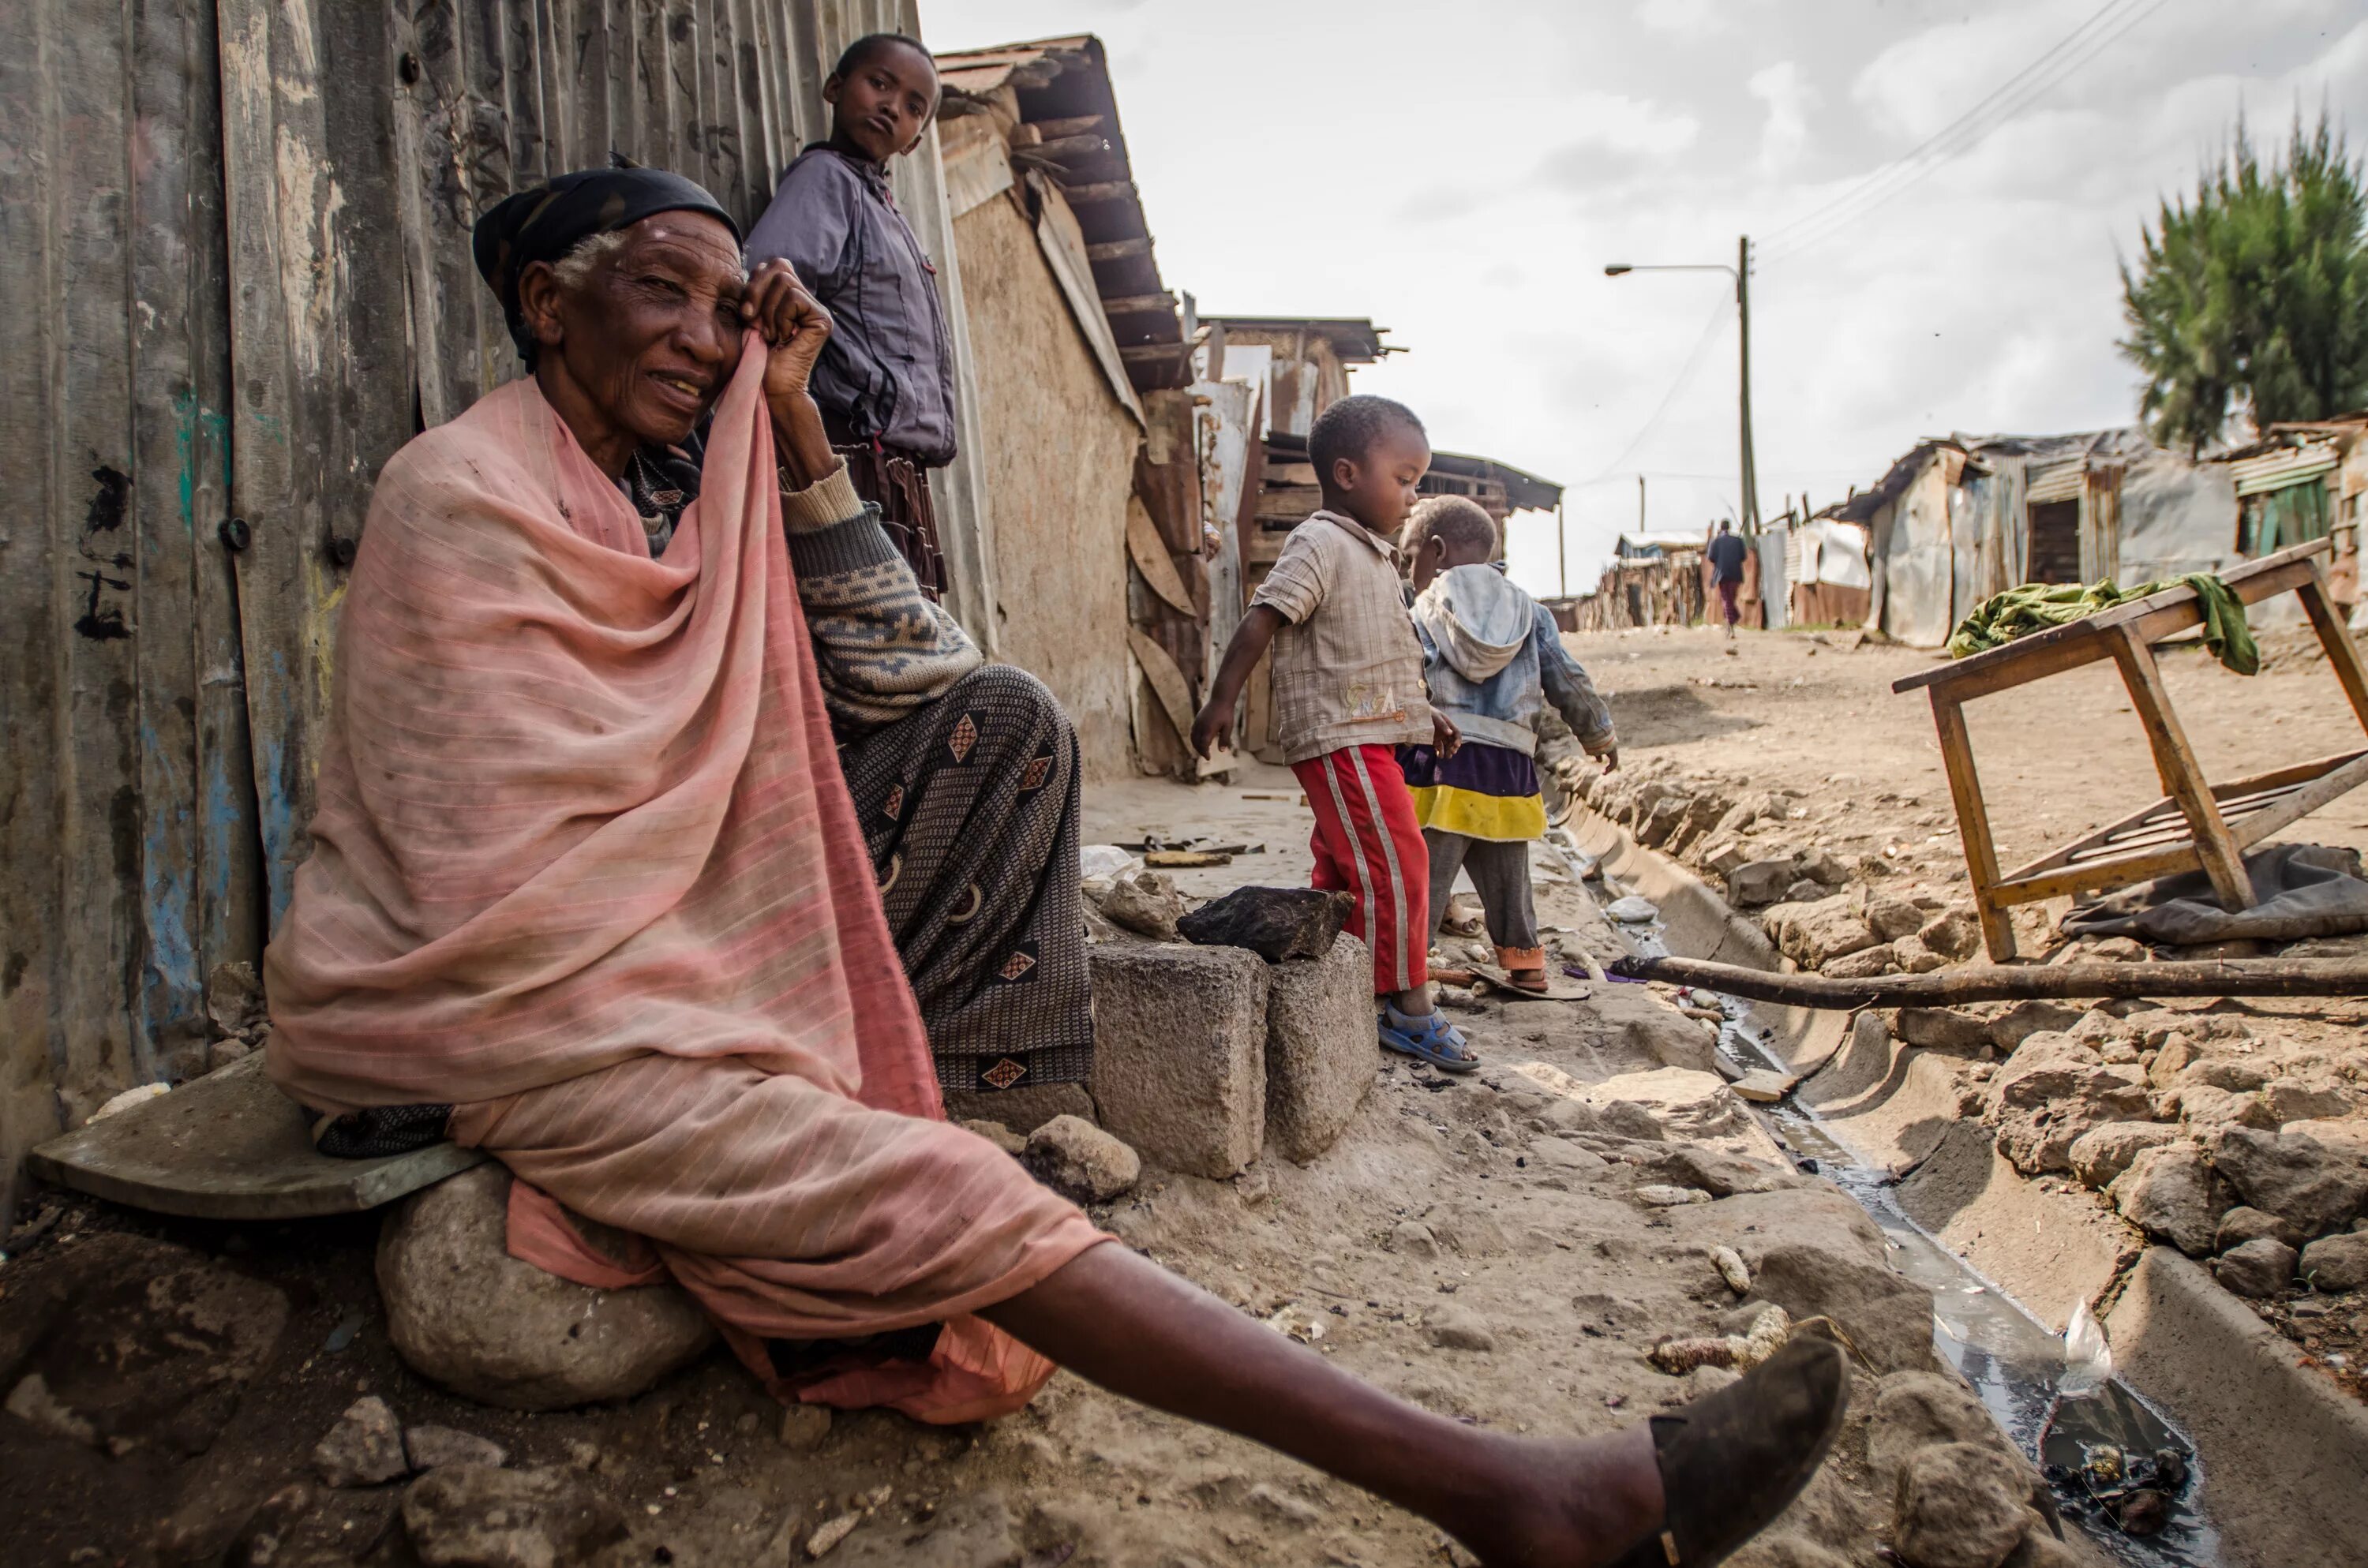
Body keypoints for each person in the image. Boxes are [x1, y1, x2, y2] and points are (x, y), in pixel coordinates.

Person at [267, 165, 1849, 1568]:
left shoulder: (693, 489)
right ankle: (1518, 1499)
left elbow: (913, 669)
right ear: (548, 305)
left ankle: (976, 1094)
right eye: (658, 294)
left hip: (670, 940)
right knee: (929, 1182)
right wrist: (712, 970)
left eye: (720, 303)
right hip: (510, 996)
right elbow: (488, 858)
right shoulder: (462, 495)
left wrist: (800, 420)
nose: (701, 334)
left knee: (1003, 719)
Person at [1190, 397, 1481, 1072]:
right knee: (1400, 861)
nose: (1414, 496)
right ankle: (1406, 1006)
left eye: (1417, 480)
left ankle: (1348, 982)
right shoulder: (1319, 542)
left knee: (1347, 863)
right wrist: (1222, 697)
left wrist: (1423, 712)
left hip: (1366, 733)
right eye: (1404, 479)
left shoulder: (1375, 557)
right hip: (1338, 737)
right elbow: (1264, 614)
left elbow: (1377, 656)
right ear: (1348, 473)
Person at [744, 32, 954, 595]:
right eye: (879, 83)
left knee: (906, 651)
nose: (892, 106)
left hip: (891, 471)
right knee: (872, 644)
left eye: (914, 106)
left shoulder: (887, 213)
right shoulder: (826, 180)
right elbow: (767, 291)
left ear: (914, 141)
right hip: (848, 455)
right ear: (836, 88)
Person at [1399, 497, 1618, 994]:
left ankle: (1408, 969)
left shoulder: (1423, 611)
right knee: (1510, 878)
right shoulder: (1530, 611)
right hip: (1509, 769)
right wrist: (1599, 734)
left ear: (1437, 551)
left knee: (1425, 876)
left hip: (1441, 765)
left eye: (1411, 559)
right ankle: (1526, 966)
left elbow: (1405, 683)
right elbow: (1567, 679)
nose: (1411, 572)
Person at [1707, 519, 1749, 642]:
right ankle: (1733, 619)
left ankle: (1731, 624)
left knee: (1727, 600)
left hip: (1722, 575)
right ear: (1729, 527)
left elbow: (1711, 557)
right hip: (1736, 573)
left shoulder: (1716, 541)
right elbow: (1744, 557)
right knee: (1730, 599)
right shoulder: (1738, 540)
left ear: (1721, 528)